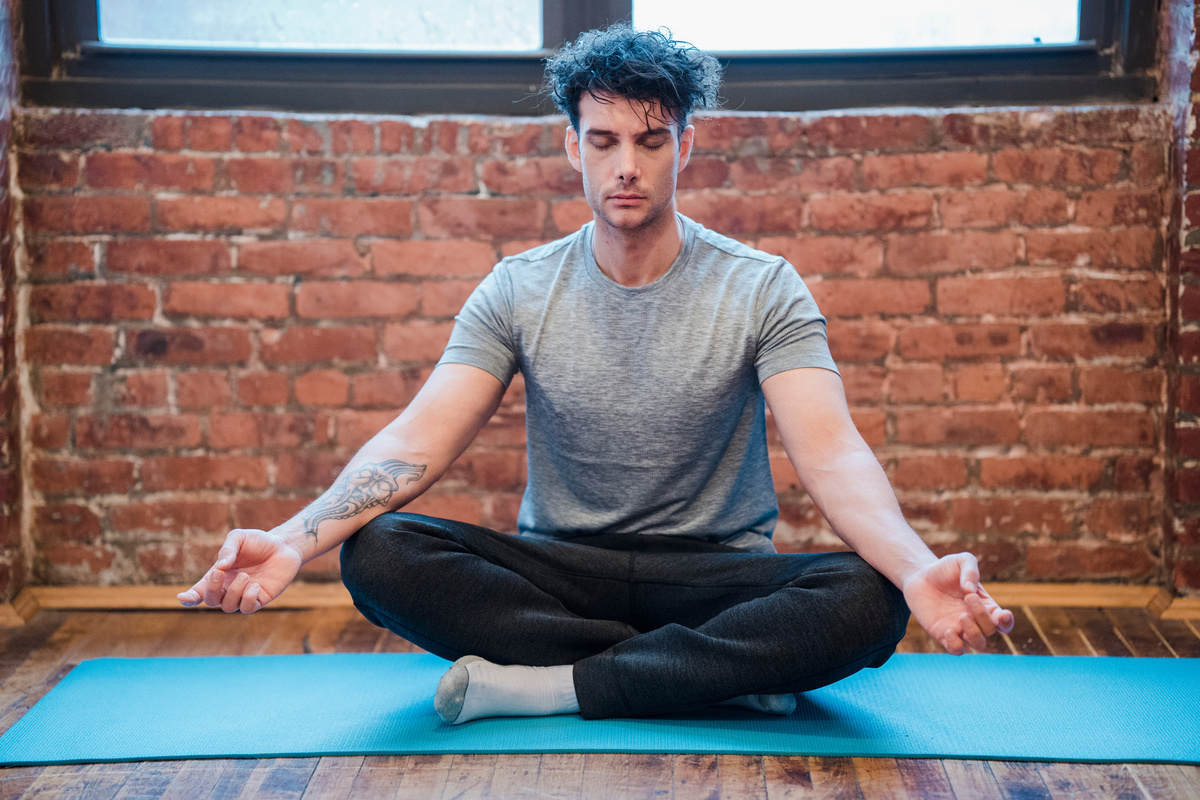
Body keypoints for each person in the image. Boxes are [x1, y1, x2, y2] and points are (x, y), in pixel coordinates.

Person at [179, 24, 1014, 725]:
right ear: (573, 146)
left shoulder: (763, 286)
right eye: (606, 141)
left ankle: (555, 687)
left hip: (712, 578)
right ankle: (710, 676)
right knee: (382, 554)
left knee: (866, 601)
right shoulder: (518, 287)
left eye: (651, 143)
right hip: (562, 576)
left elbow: (832, 455)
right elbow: (416, 440)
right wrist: (293, 538)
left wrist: (912, 568)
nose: (627, 166)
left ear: (683, 146)